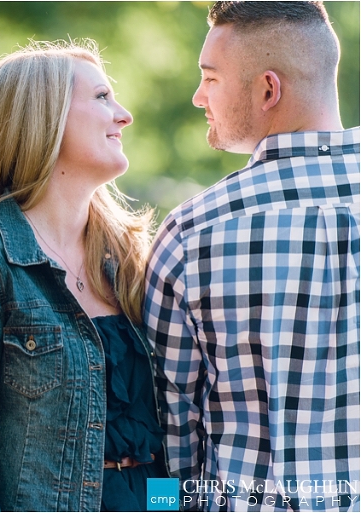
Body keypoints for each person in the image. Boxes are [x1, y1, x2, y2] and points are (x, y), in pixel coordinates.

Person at [0, 40, 167, 512]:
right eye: (101, 97)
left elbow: (160, 447)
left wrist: (168, 506)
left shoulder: (135, 261)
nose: (124, 115)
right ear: (45, 116)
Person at [144, 2, 360, 511]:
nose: (198, 96)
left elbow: (167, 439)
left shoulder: (191, 234)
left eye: (210, 78)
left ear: (268, 89)